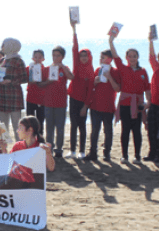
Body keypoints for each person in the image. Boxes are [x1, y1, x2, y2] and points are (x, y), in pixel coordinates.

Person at [109, 32, 149, 164]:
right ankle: (125, 156)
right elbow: (115, 56)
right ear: (126, 57)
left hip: (138, 105)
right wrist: (111, 41)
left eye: (134, 56)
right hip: (125, 104)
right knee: (125, 130)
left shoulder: (143, 71)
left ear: (138, 57)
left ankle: (137, 156)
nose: (132, 58)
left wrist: (148, 103)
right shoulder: (123, 68)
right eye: (130, 56)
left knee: (137, 131)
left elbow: (147, 88)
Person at [38, 46, 73, 158]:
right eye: (54, 55)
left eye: (58, 55)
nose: (55, 57)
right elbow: (40, 84)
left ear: (62, 57)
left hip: (61, 103)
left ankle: (59, 150)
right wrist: (48, 81)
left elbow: (71, 77)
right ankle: (49, 149)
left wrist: (62, 66)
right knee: (49, 128)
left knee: (60, 128)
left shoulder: (64, 68)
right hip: (48, 103)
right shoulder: (47, 69)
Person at [87, 50, 120, 161]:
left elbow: (118, 89)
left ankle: (107, 153)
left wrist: (109, 77)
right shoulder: (98, 70)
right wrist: (95, 82)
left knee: (108, 131)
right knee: (94, 131)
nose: (100, 59)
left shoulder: (115, 71)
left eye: (103, 57)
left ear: (110, 59)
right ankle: (93, 153)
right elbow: (91, 87)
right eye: (100, 57)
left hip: (108, 107)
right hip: (95, 106)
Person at [67, 22, 94, 159]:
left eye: (85, 55)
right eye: (81, 55)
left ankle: (81, 151)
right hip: (73, 99)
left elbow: (90, 92)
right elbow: (74, 49)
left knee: (82, 126)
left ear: (89, 57)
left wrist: (85, 106)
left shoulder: (90, 71)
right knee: (73, 125)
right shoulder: (76, 65)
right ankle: (72, 151)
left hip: (83, 102)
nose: (83, 57)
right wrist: (74, 30)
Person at [0, 38, 28, 138]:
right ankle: (4, 145)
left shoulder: (19, 61)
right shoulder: (2, 60)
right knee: (2, 125)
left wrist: (11, 81)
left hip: (14, 96)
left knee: (17, 125)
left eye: (3, 45)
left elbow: (24, 78)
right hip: (2, 95)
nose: (2, 47)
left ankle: (19, 145)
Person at [25, 49, 46, 136]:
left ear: (43, 59)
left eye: (39, 57)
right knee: (29, 121)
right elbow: (24, 79)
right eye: (35, 57)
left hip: (41, 99)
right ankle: (30, 138)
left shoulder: (45, 69)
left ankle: (40, 138)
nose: (37, 59)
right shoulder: (28, 68)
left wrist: (40, 82)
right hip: (30, 97)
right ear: (32, 58)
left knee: (40, 121)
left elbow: (47, 83)